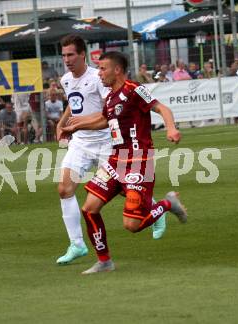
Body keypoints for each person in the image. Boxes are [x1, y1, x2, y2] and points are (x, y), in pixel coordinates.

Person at [61, 51, 188, 274]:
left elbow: (162, 108)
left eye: (103, 68)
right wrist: (76, 126)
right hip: (115, 160)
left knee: (132, 225)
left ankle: (168, 204)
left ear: (117, 70)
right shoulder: (110, 97)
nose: (99, 73)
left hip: (139, 161)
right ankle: (105, 261)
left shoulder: (134, 89)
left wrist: (171, 127)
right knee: (89, 209)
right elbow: (103, 120)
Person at [54, 34, 114, 265]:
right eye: (64, 55)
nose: (67, 59)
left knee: (123, 189)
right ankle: (77, 244)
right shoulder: (66, 80)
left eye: (71, 55)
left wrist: (76, 124)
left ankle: (154, 210)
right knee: (64, 189)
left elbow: (108, 112)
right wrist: (62, 122)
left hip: (105, 142)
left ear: (82, 55)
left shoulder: (98, 78)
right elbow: (74, 101)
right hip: (80, 142)